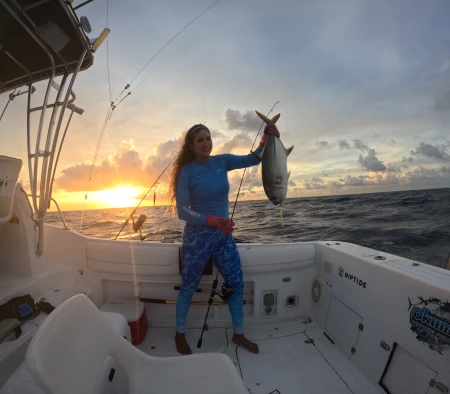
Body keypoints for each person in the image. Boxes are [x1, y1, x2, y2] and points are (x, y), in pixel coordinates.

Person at [168, 122, 280, 355]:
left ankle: (238, 334)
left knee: (237, 284)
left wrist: (265, 139)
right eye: (200, 140)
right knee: (189, 286)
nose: (206, 143)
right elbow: (183, 211)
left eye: (208, 138)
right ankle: (179, 334)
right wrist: (215, 221)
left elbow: (254, 159)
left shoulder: (222, 161)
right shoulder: (186, 172)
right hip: (196, 239)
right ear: (191, 145)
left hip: (223, 237)